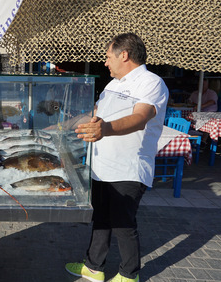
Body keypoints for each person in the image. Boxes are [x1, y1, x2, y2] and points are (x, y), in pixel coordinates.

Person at [64, 33, 169, 282]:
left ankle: (128, 274)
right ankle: (93, 267)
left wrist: (106, 129)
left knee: (123, 223)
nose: (105, 62)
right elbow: (95, 114)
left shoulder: (151, 82)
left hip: (128, 167)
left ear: (124, 55)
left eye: (108, 56)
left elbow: (141, 117)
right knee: (100, 217)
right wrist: (60, 127)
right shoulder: (113, 84)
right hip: (101, 166)